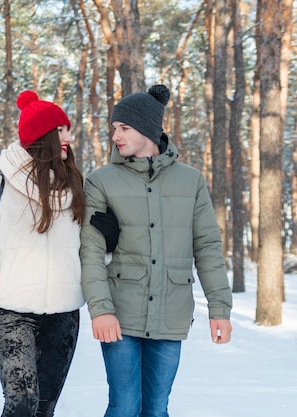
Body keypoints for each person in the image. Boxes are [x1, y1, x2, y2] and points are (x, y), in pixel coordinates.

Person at [0, 90, 118, 417]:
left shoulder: (77, 191)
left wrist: (109, 244)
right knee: (21, 404)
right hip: (10, 312)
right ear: (42, 136)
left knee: (44, 408)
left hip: (64, 316)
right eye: (60, 130)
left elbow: (86, 256)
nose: (69, 137)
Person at [79, 84, 233, 417]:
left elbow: (207, 246)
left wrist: (220, 308)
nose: (116, 135)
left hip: (171, 310)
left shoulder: (190, 181)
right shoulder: (101, 180)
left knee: (157, 408)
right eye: (114, 128)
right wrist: (100, 309)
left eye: (124, 127)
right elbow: (90, 252)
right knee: (124, 406)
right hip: (120, 312)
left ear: (148, 129)